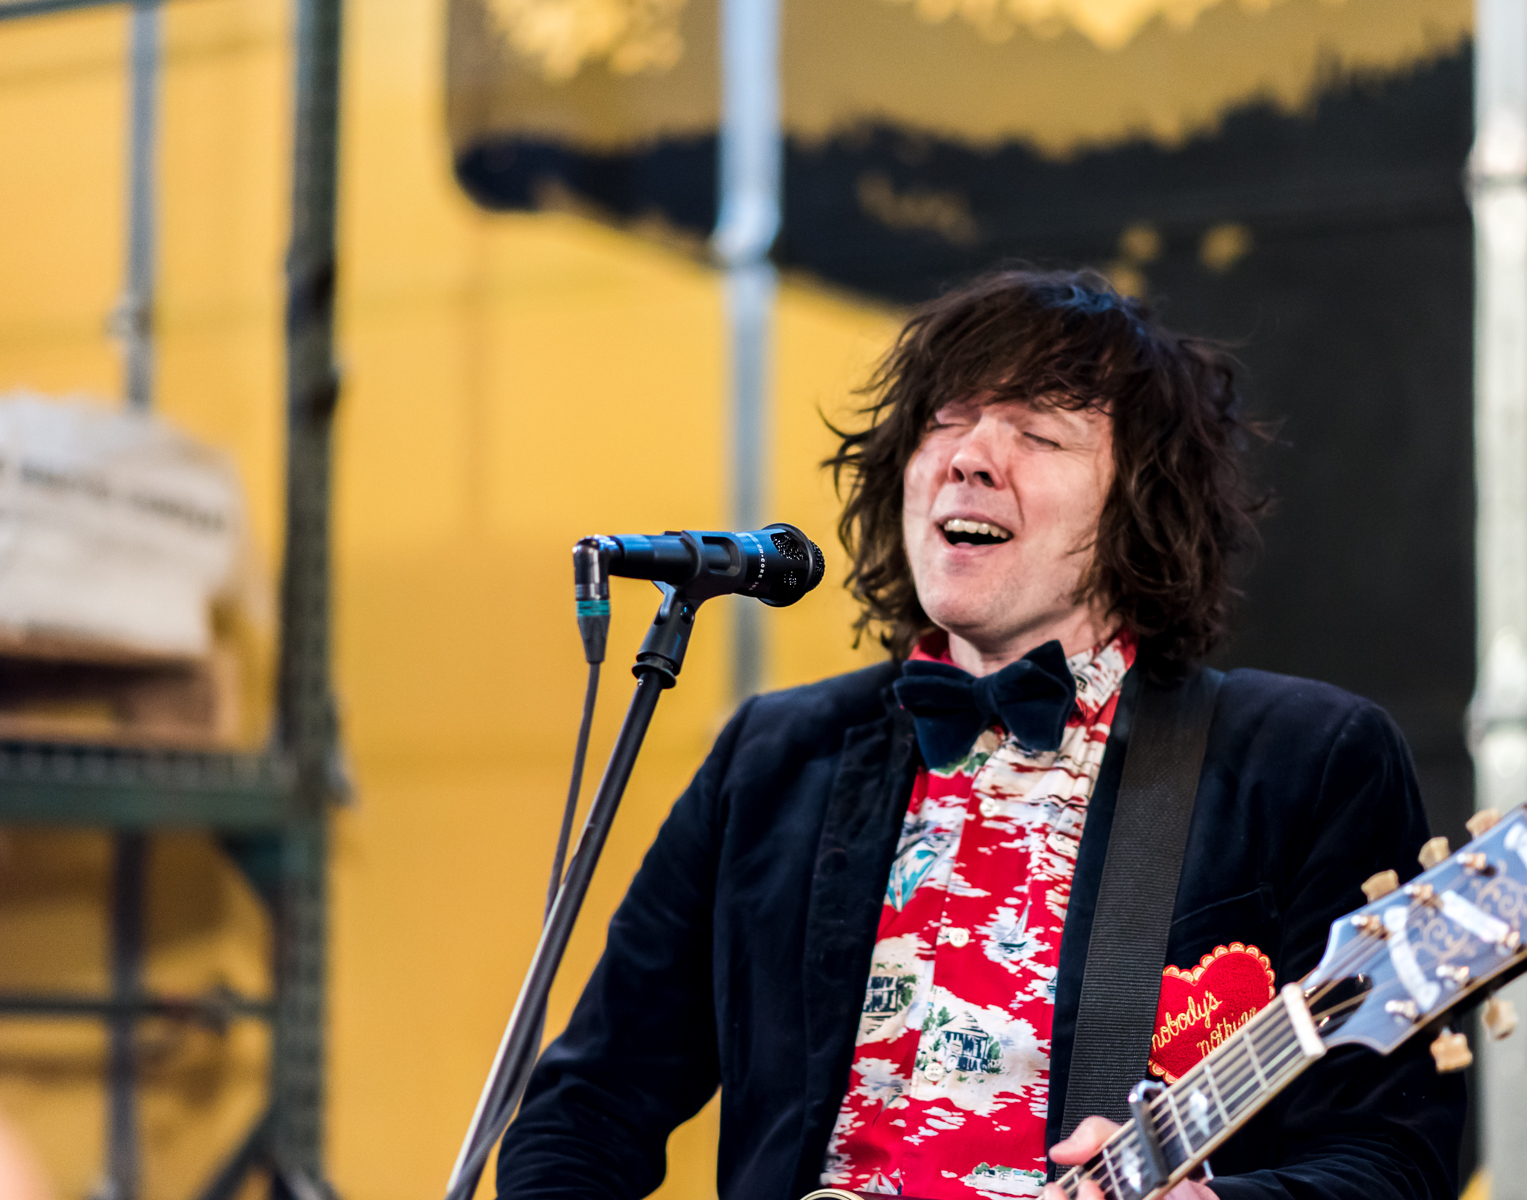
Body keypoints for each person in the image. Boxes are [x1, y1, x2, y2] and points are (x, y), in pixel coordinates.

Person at [496, 270, 1464, 1200]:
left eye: (1039, 432)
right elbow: (587, 1109)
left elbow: (1389, 1158)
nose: (969, 457)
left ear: (1141, 500)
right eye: (944, 421)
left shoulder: (1302, 759)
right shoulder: (774, 756)